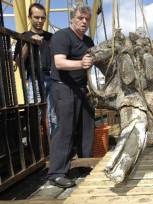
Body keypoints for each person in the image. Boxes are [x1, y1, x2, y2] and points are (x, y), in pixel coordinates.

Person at [47, 5, 94, 188]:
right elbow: (59, 62)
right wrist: (81, 63)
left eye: (87, 19)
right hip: (63, 87)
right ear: (71, 19)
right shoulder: (62, 36)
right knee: (65, 129)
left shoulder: (88, 41)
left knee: (87, 127)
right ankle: (57, 172)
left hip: (82, 88)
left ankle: (85, 165)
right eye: (80, 18)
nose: (84, 22)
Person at [14, 3, 56, 136]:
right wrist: (29, 42)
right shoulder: (24, 35)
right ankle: (38, 150)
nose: (40, 21)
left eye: (42, 18)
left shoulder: (51, 37)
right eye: (36, 17)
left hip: (53, 78)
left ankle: (53, 148)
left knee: (53, 116)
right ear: (29, 18)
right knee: (35, 115)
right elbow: (18, 60)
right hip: (35, 78)